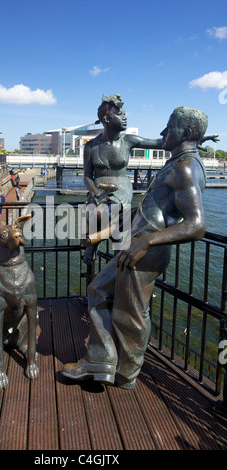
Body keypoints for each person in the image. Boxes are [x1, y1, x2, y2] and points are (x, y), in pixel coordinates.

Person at [62, 106, 212, 390]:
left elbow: (197, 226)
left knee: (132, 313)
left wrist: (145, 241)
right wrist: (105, 233)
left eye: (170, 127)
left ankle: (126, 374)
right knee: (97, 290)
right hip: (137, 243)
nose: (163, 133)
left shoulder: (186, 167)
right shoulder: (177, 162)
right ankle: (102, 360)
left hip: (145, 249)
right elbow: (148, 210)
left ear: (187, 134)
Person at [82, 94, 165, 264]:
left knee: (105, 211)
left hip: (121, 187)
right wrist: (95, 192)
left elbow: (160, 143)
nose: (125, 117)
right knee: (95, 209)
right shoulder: (91, 146)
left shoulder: (128, 141)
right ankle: (119, 250)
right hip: (98, 188)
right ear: (107, 118)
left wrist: (191, 139)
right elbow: (86, 176)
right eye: (120, 114)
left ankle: (94, 244)